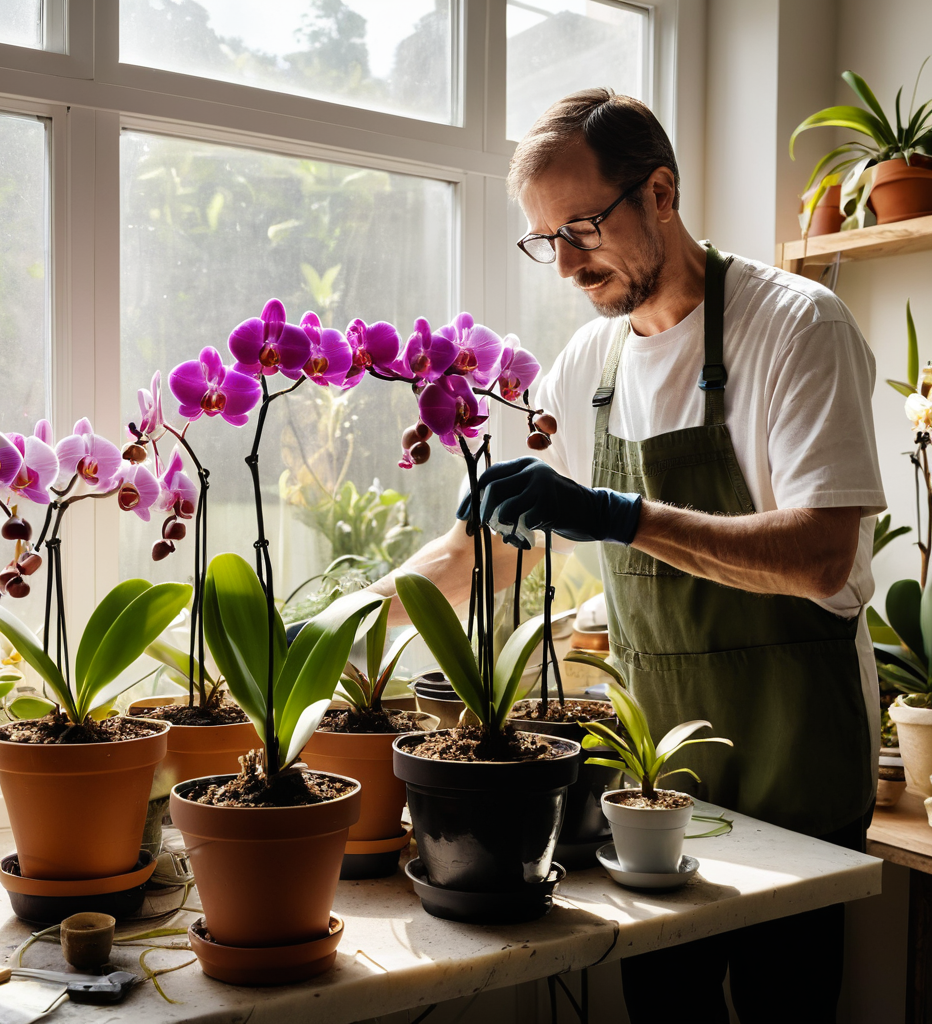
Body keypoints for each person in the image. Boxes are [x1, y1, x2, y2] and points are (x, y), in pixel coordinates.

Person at [373, 89, 885, 1024]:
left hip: (795, 774)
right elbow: (483, 554)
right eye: (545, 239)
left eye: (581, 227)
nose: (566, 264)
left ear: (660, 192)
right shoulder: (590, 367)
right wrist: (346, 626)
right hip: (655, 793)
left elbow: (819, 553)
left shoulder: (796, 327)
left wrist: (619, 514)